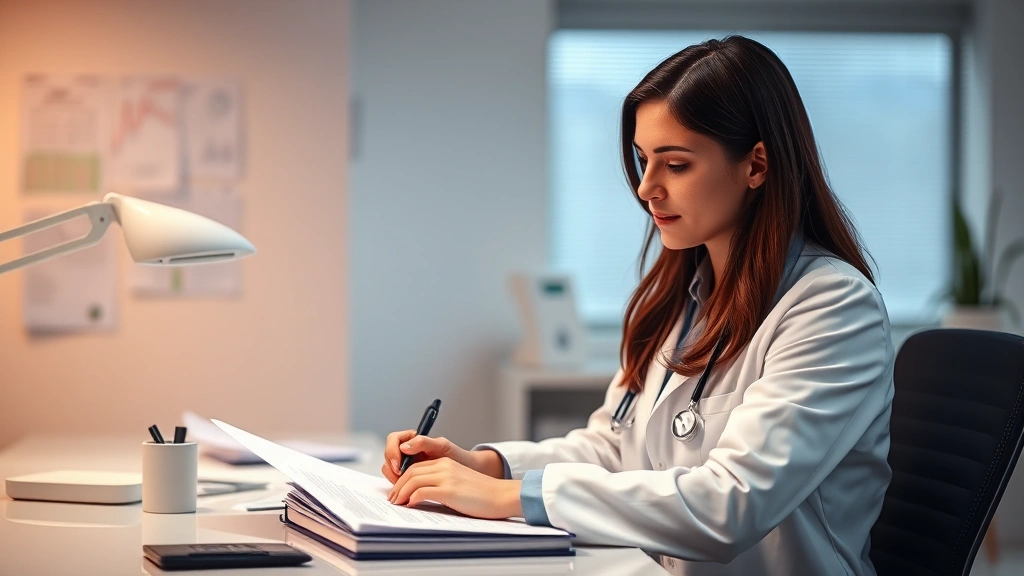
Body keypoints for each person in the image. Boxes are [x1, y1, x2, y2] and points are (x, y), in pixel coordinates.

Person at [382, 35, 894, 576]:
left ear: (757, 165)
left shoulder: (832, 307)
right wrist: (486, 466)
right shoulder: (683, 297)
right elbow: (614, 447)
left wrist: (512, 499)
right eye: (643, 160)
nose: (646, 188)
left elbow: (730, 503)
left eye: (675, 165)